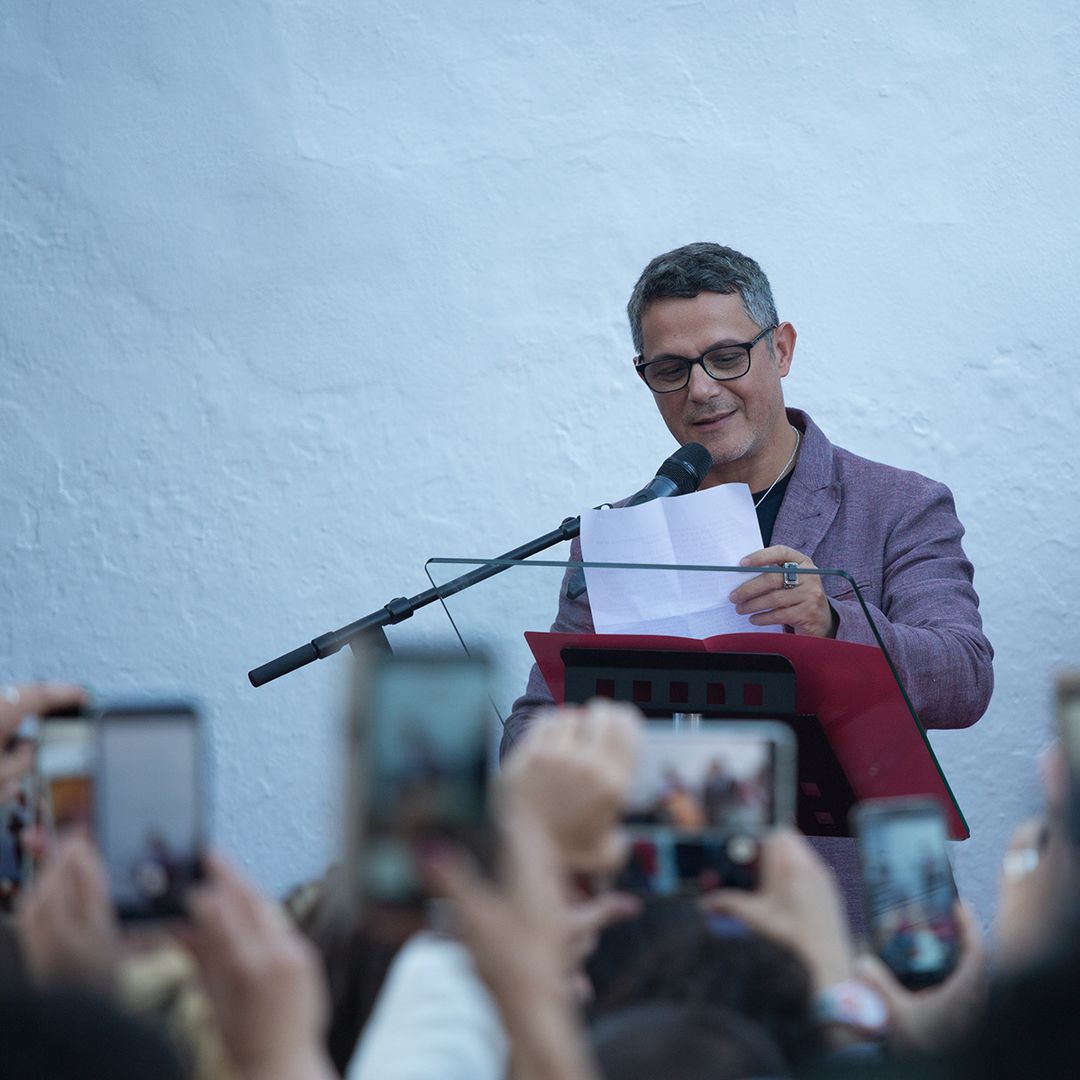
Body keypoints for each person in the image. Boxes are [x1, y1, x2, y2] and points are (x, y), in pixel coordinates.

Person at [504, 242, 993, 757]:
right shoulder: (621, 533)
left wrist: (830, 622)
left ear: (781, 350)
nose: (702, 389)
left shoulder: (902, 505)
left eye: (726, 358)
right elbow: (540, 716)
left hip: (833, 836)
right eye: (671, 370)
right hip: (662, 828)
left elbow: (965, 678)